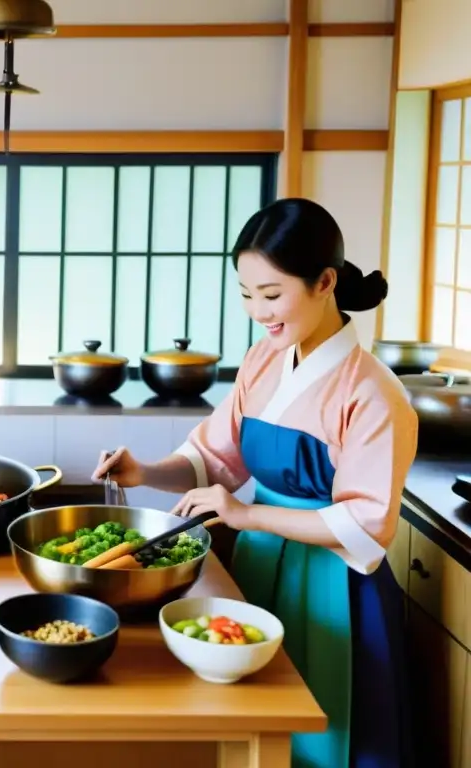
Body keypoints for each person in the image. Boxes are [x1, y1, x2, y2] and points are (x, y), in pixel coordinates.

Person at [94, 198, 417, 768]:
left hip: (335, 586)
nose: (258, 312)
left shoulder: (374, 392)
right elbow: (213, 459)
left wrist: (245, 516)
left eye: (271, 295)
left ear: (325, 282)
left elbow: (367, 524)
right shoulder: (263, 360)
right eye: (246, 295)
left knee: (325, 733)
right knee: (249, 731)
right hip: (261, 563)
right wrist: (143, 471)